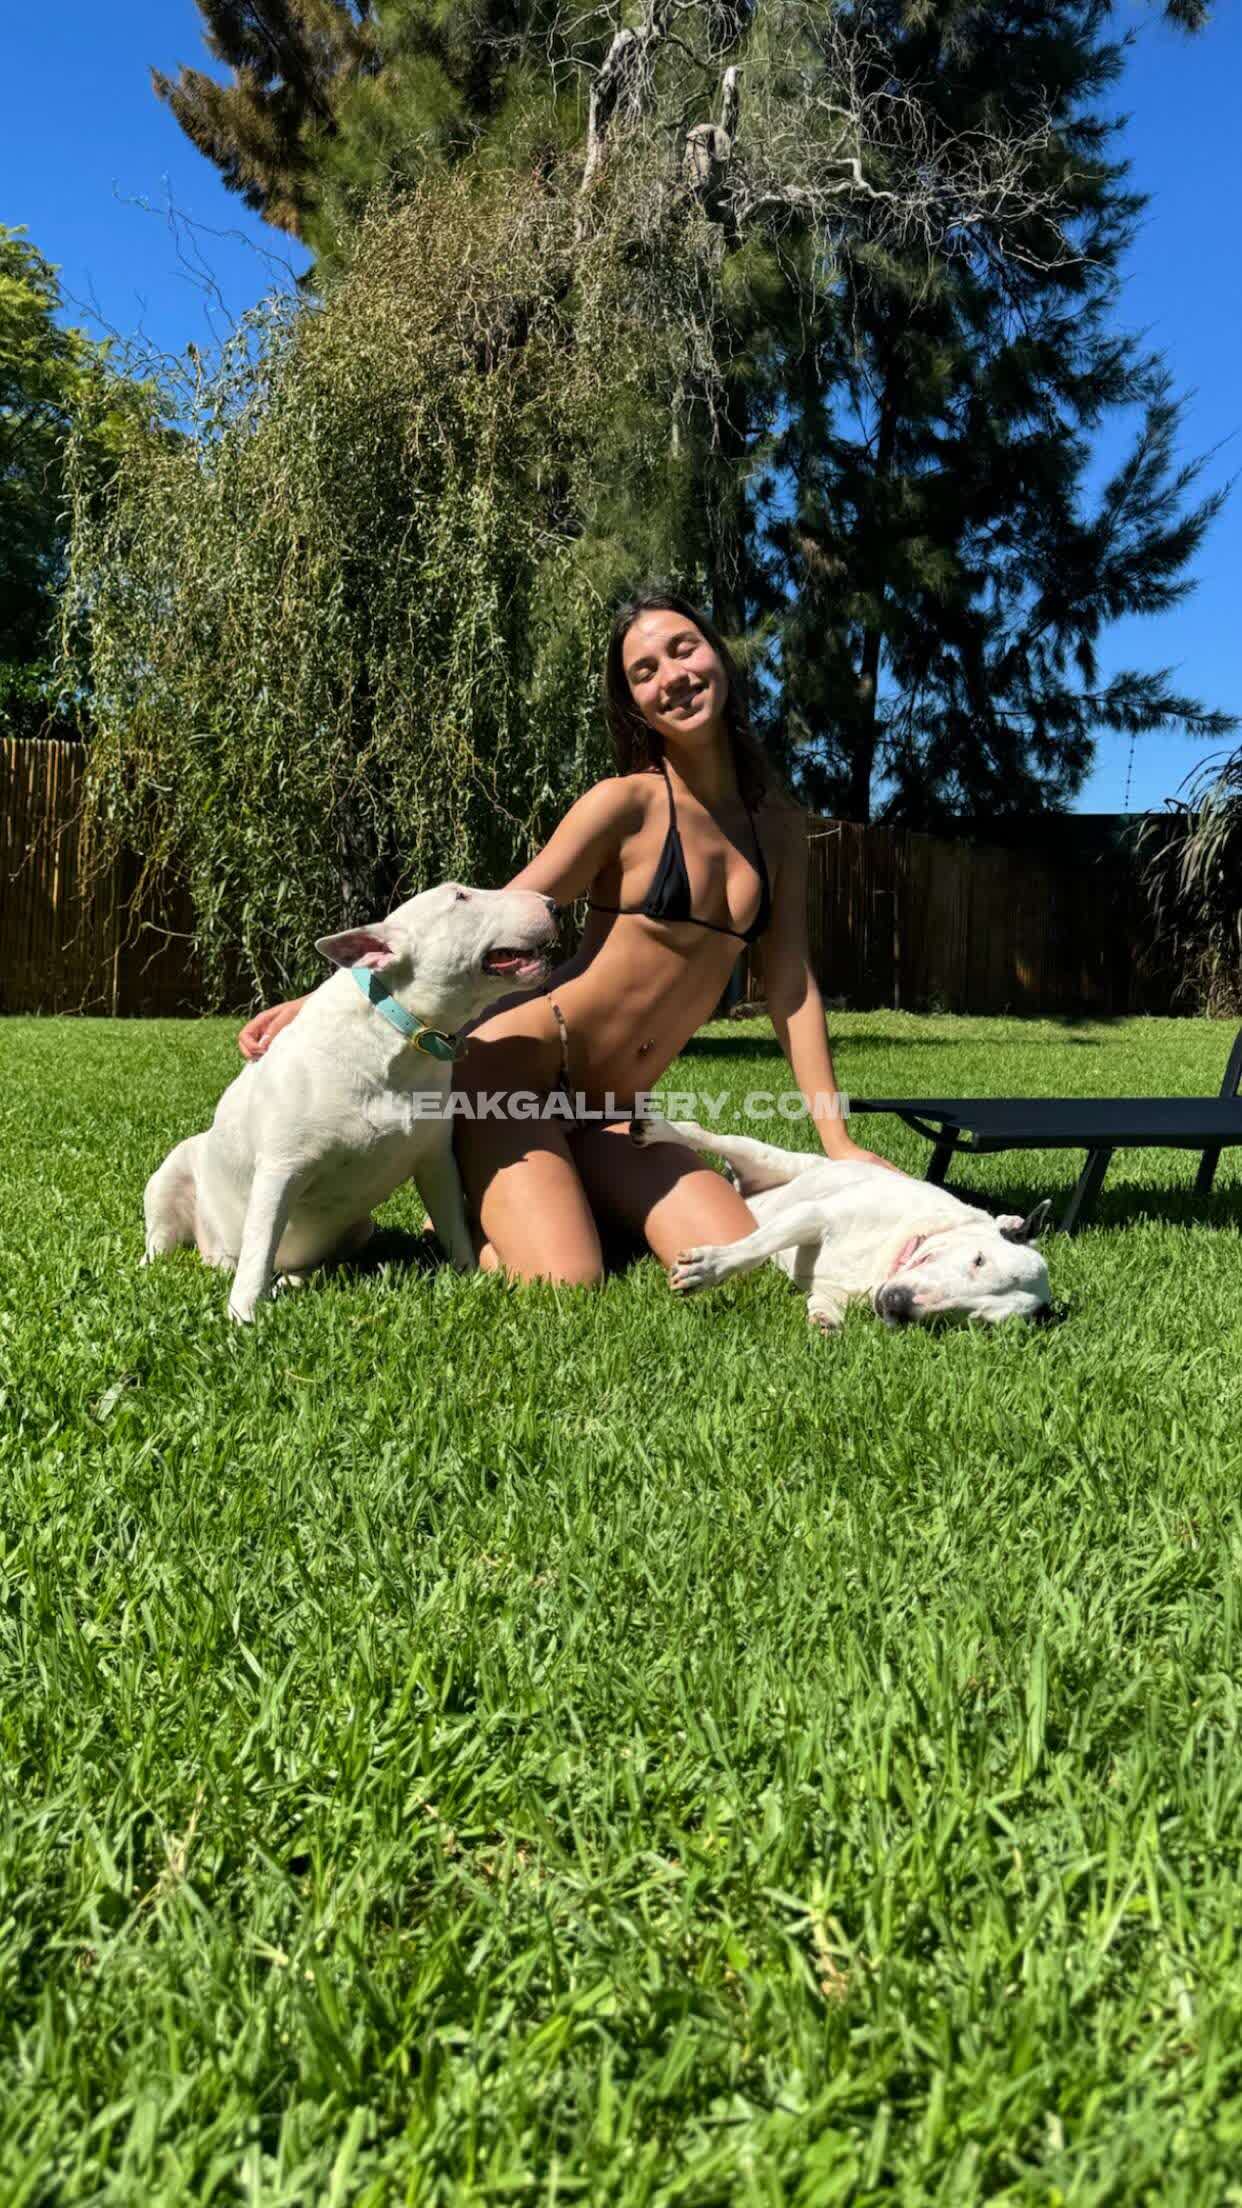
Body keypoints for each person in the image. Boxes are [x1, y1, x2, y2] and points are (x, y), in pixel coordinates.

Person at [237, 587, 895, 1283]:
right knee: (569, 1279)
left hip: (616, 1109)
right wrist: (325, 997)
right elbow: (484, 924)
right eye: (645, 672)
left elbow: (791, 987)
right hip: (514, 1080)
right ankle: (479, 1202)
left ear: (718, 656)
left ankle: (553, 1187)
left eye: (684, 649)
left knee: (732, 1256)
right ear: (634, 703)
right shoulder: (625, 805)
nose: (672, 677)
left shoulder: (780, 829)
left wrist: (836, 1137)